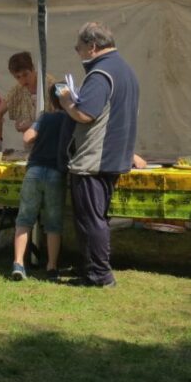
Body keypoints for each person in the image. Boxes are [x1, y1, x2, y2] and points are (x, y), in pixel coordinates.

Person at [58, 21, 140, 289]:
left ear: (92, 47)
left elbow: (85, 113)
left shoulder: (101, 73)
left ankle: (99, 275)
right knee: (98, 217)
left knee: (91, 219)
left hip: (93, 158)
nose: (77, 52)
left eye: (78, 47)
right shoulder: (126, 70)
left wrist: (66, 100)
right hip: (114, 155)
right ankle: (94, 270)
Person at [10, 84, 71, 283]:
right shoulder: (72, 118)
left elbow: (28, 137)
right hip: (56, 171)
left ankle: (18, 263)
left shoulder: (45, 117)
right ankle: (52, 266)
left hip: (34, 169)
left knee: (24, 219)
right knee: (53, 223)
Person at [0, 51, 56, 145]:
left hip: (53, 143)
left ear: (33, 69)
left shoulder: (50, 85)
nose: (23, 80)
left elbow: (61, 119)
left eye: (26, 74)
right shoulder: (18, 90)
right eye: (18, 77)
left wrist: (31, 125)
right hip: (31, 146)